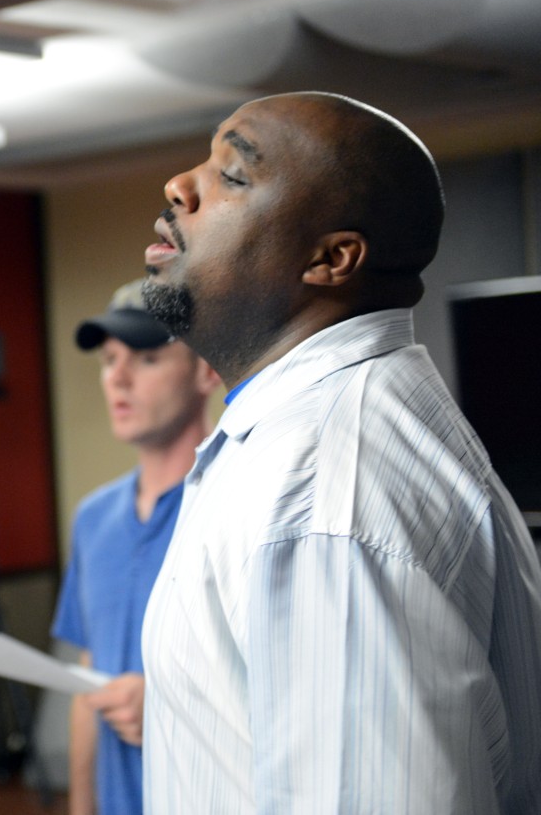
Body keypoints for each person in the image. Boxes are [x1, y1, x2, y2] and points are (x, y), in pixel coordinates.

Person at [140, 92, 541, 814]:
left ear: (332, 258)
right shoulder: (315, 439)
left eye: (233, 175)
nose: (181, 185)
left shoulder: (326, 489)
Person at [51, 278, 220, 815]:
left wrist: (174, 707)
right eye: (107, 359)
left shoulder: (233, 505)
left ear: (207, 370)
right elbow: (88, 683)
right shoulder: (94, 518)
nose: (117, 379)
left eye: (146, 358)